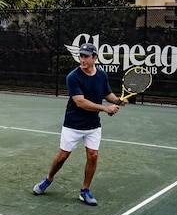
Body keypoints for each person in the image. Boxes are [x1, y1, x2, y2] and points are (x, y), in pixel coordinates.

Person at [32, 42, 126, 206]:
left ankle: (85, 190)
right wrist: (105, 108)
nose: (82, 59)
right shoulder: (73, 77)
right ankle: (48, 179)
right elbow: (80, 102)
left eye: (86, 56)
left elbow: (106, 93)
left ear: (94, 58)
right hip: (73, 125)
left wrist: (117, 100)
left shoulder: (102, 75)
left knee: (93, 156)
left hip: (93, 126)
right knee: (62, 156)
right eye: (81, 56)